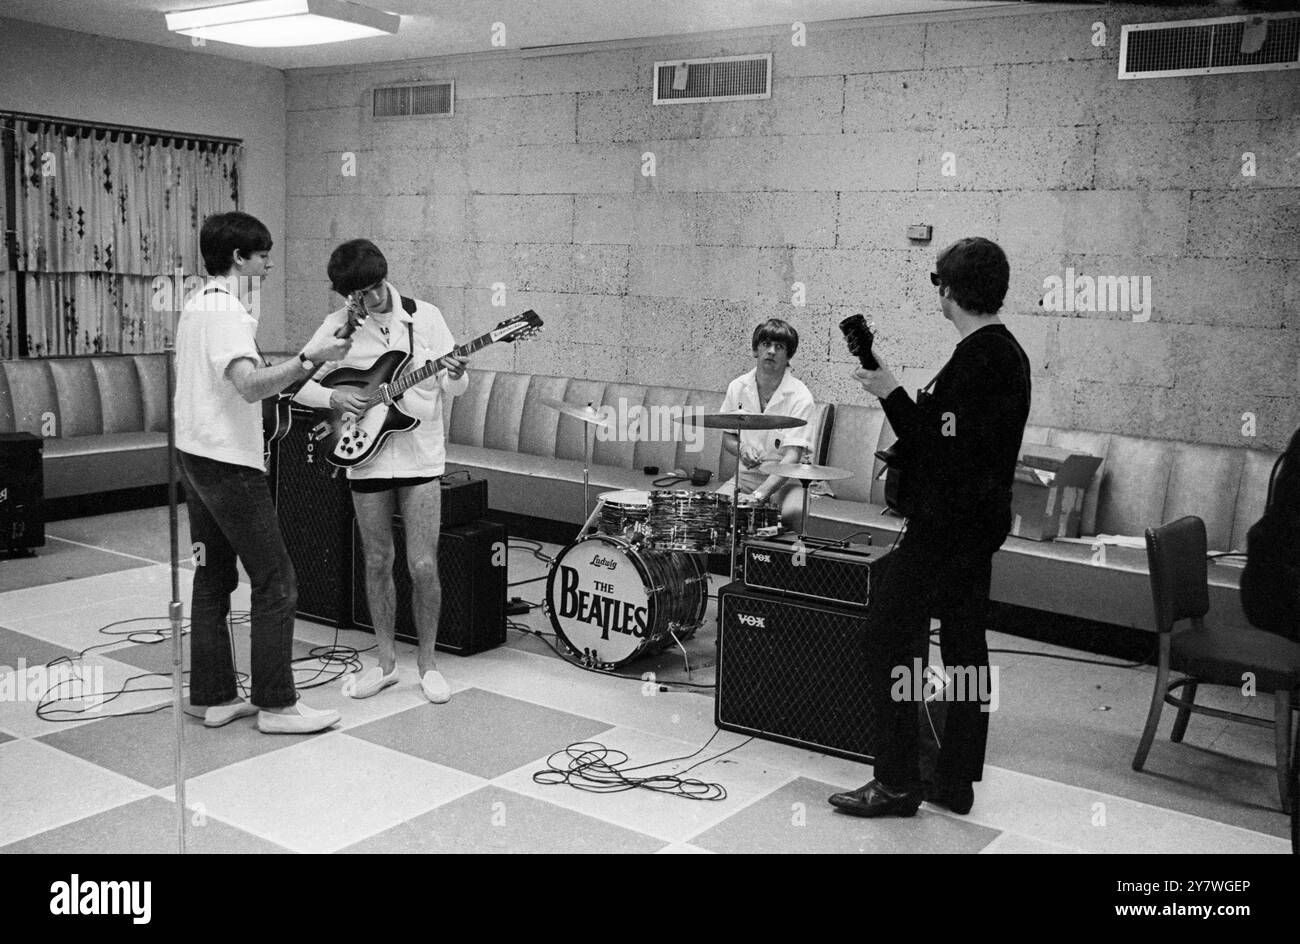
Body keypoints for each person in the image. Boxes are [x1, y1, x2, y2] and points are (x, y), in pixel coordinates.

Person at [830, 237, 1030, 817]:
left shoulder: (980, 359)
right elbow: (950, 437)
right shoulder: (1003, 353)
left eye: (938, 282)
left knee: (886, 638)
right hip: (976, 523)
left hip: (949, 526)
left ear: (950, 289)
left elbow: (938, 447)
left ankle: (896, 781)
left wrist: (890, 392)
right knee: (965, 645)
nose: (937, 293)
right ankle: (955, 778)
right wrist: (891, 386)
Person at [176, 211, 351, 734]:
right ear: (238, 258)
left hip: (194, 454)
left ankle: (212, 697)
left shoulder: (195, 305)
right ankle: (276, 705)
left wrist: (308, 363)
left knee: (214, 576)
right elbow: (250, 386)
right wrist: (310, 357)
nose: (270, 263)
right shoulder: (228, 312)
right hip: (229, 463)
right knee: (276, 579)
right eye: (263, 254)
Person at [295, 239, 469, 703]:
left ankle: (428, 665)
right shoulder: (338, 326)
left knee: (423, 563)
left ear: (384, 278)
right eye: (357, 296)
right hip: (364, 453)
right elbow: (299, 384)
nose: (369, 302)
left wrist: (454, 372)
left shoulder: (426, 316)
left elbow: (459, 385)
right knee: (377, 560)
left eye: (373, 290)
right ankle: (386, 663)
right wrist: (334, 397)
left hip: (420, 455)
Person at [717, 319, 816, 525]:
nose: (771, 351)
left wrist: (758, 496)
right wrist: (742, 448)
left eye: (779, 347)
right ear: (756, 350)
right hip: (745, 477)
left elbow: (793, 457)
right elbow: (728, 439)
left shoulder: (801, 396)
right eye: (765, 344)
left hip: (787, 483)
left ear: (788, 356)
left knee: (792, 514)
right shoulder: (737, 387)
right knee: (714, 512)